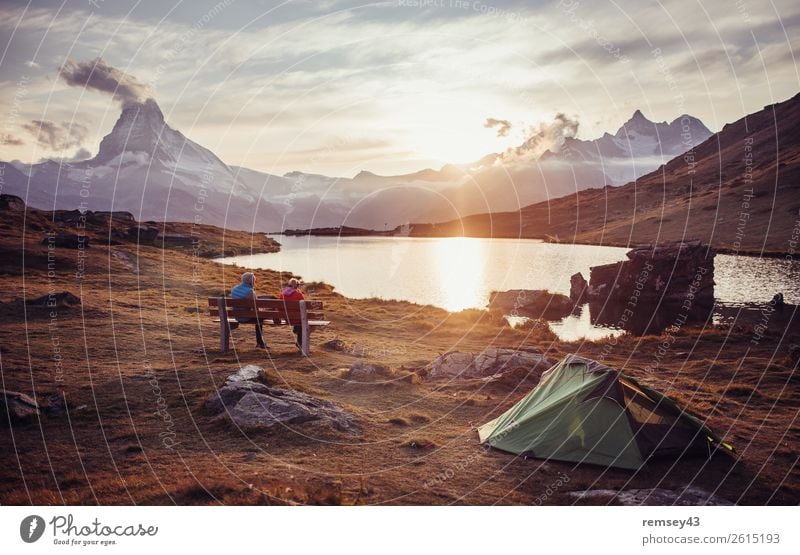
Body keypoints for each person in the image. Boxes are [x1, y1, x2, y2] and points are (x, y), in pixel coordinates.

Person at [231, 272, 266, 349]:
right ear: (251, 281)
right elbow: (256, 309)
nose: (254, 283)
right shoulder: (250, 292)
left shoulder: (234, 289)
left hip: (237, 316)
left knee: (259, 318)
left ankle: (260, 343)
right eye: (254, 281)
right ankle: (260, 342)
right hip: (246, 317)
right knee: (260, 318)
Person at [279, 278, 305, 350]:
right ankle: (299, 342)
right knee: (301, 321)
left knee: (299, 320)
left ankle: (296, 330)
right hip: (297, 319)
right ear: (297, 286)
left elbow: (280, 309)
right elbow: (303, 308)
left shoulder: (282, 294)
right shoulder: (299, 295)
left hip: (286, 319)